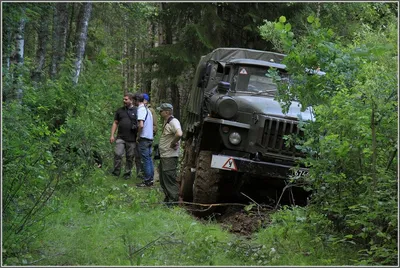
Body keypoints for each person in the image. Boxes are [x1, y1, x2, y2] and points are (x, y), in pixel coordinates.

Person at [157, 103, 183, 205]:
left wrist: (173, 143)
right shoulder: (167, 122)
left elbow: (179, 133)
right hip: (165, 156)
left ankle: (173, 201)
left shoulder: (173, 121)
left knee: (169, 178)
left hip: (170, 156)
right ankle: (168, 199)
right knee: (163, 179)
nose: (160, 112)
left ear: (167, 112)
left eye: (161, 111)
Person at [110, 92, 138, 179]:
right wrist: (112, 135)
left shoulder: (137, 111)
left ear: (131, 100)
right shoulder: (120, 110)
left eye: (126, 99)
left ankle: (127, 174)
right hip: (120, 137)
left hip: (132, 138)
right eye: (123, 99)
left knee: (130, 157)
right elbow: (115, 123)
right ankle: (116, 172)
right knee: (118, 154)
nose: (124, 101)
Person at [134, 93, 154, 187]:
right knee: (149, 159)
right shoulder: (148, 110)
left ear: (137, 100)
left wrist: (138, 135)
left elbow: (141, 125)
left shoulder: (141, 109)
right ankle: (150, 179)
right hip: (150, 137)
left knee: (146, 160)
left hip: (144, 138)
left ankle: (147, 180)